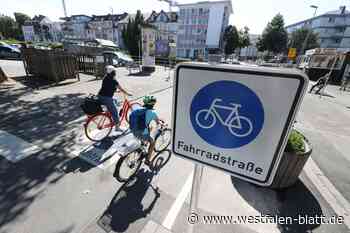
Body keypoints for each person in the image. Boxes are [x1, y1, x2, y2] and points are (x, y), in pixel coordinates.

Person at [130, 96, 164, 165]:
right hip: (141, 133)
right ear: (153, 104)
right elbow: (158, 122)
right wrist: (162, 124)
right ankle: (147, 160)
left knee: (148, 128)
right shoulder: (152, 113)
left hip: (133, 130)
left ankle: (143, 143)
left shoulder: (136, 109)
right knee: (152, 142)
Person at [98, 65, 132, 130]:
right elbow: (121, 88)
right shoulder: (114, 80)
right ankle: (117, 127)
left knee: (115, 100)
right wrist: (127, 93)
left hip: (100, 96)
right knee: (115, 112)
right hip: (106, 98)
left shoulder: (105, 77)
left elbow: (106, 87)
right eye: (114, 71)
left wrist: (115, 91)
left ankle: (110, 110)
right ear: (113, 72)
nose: (115, 72)